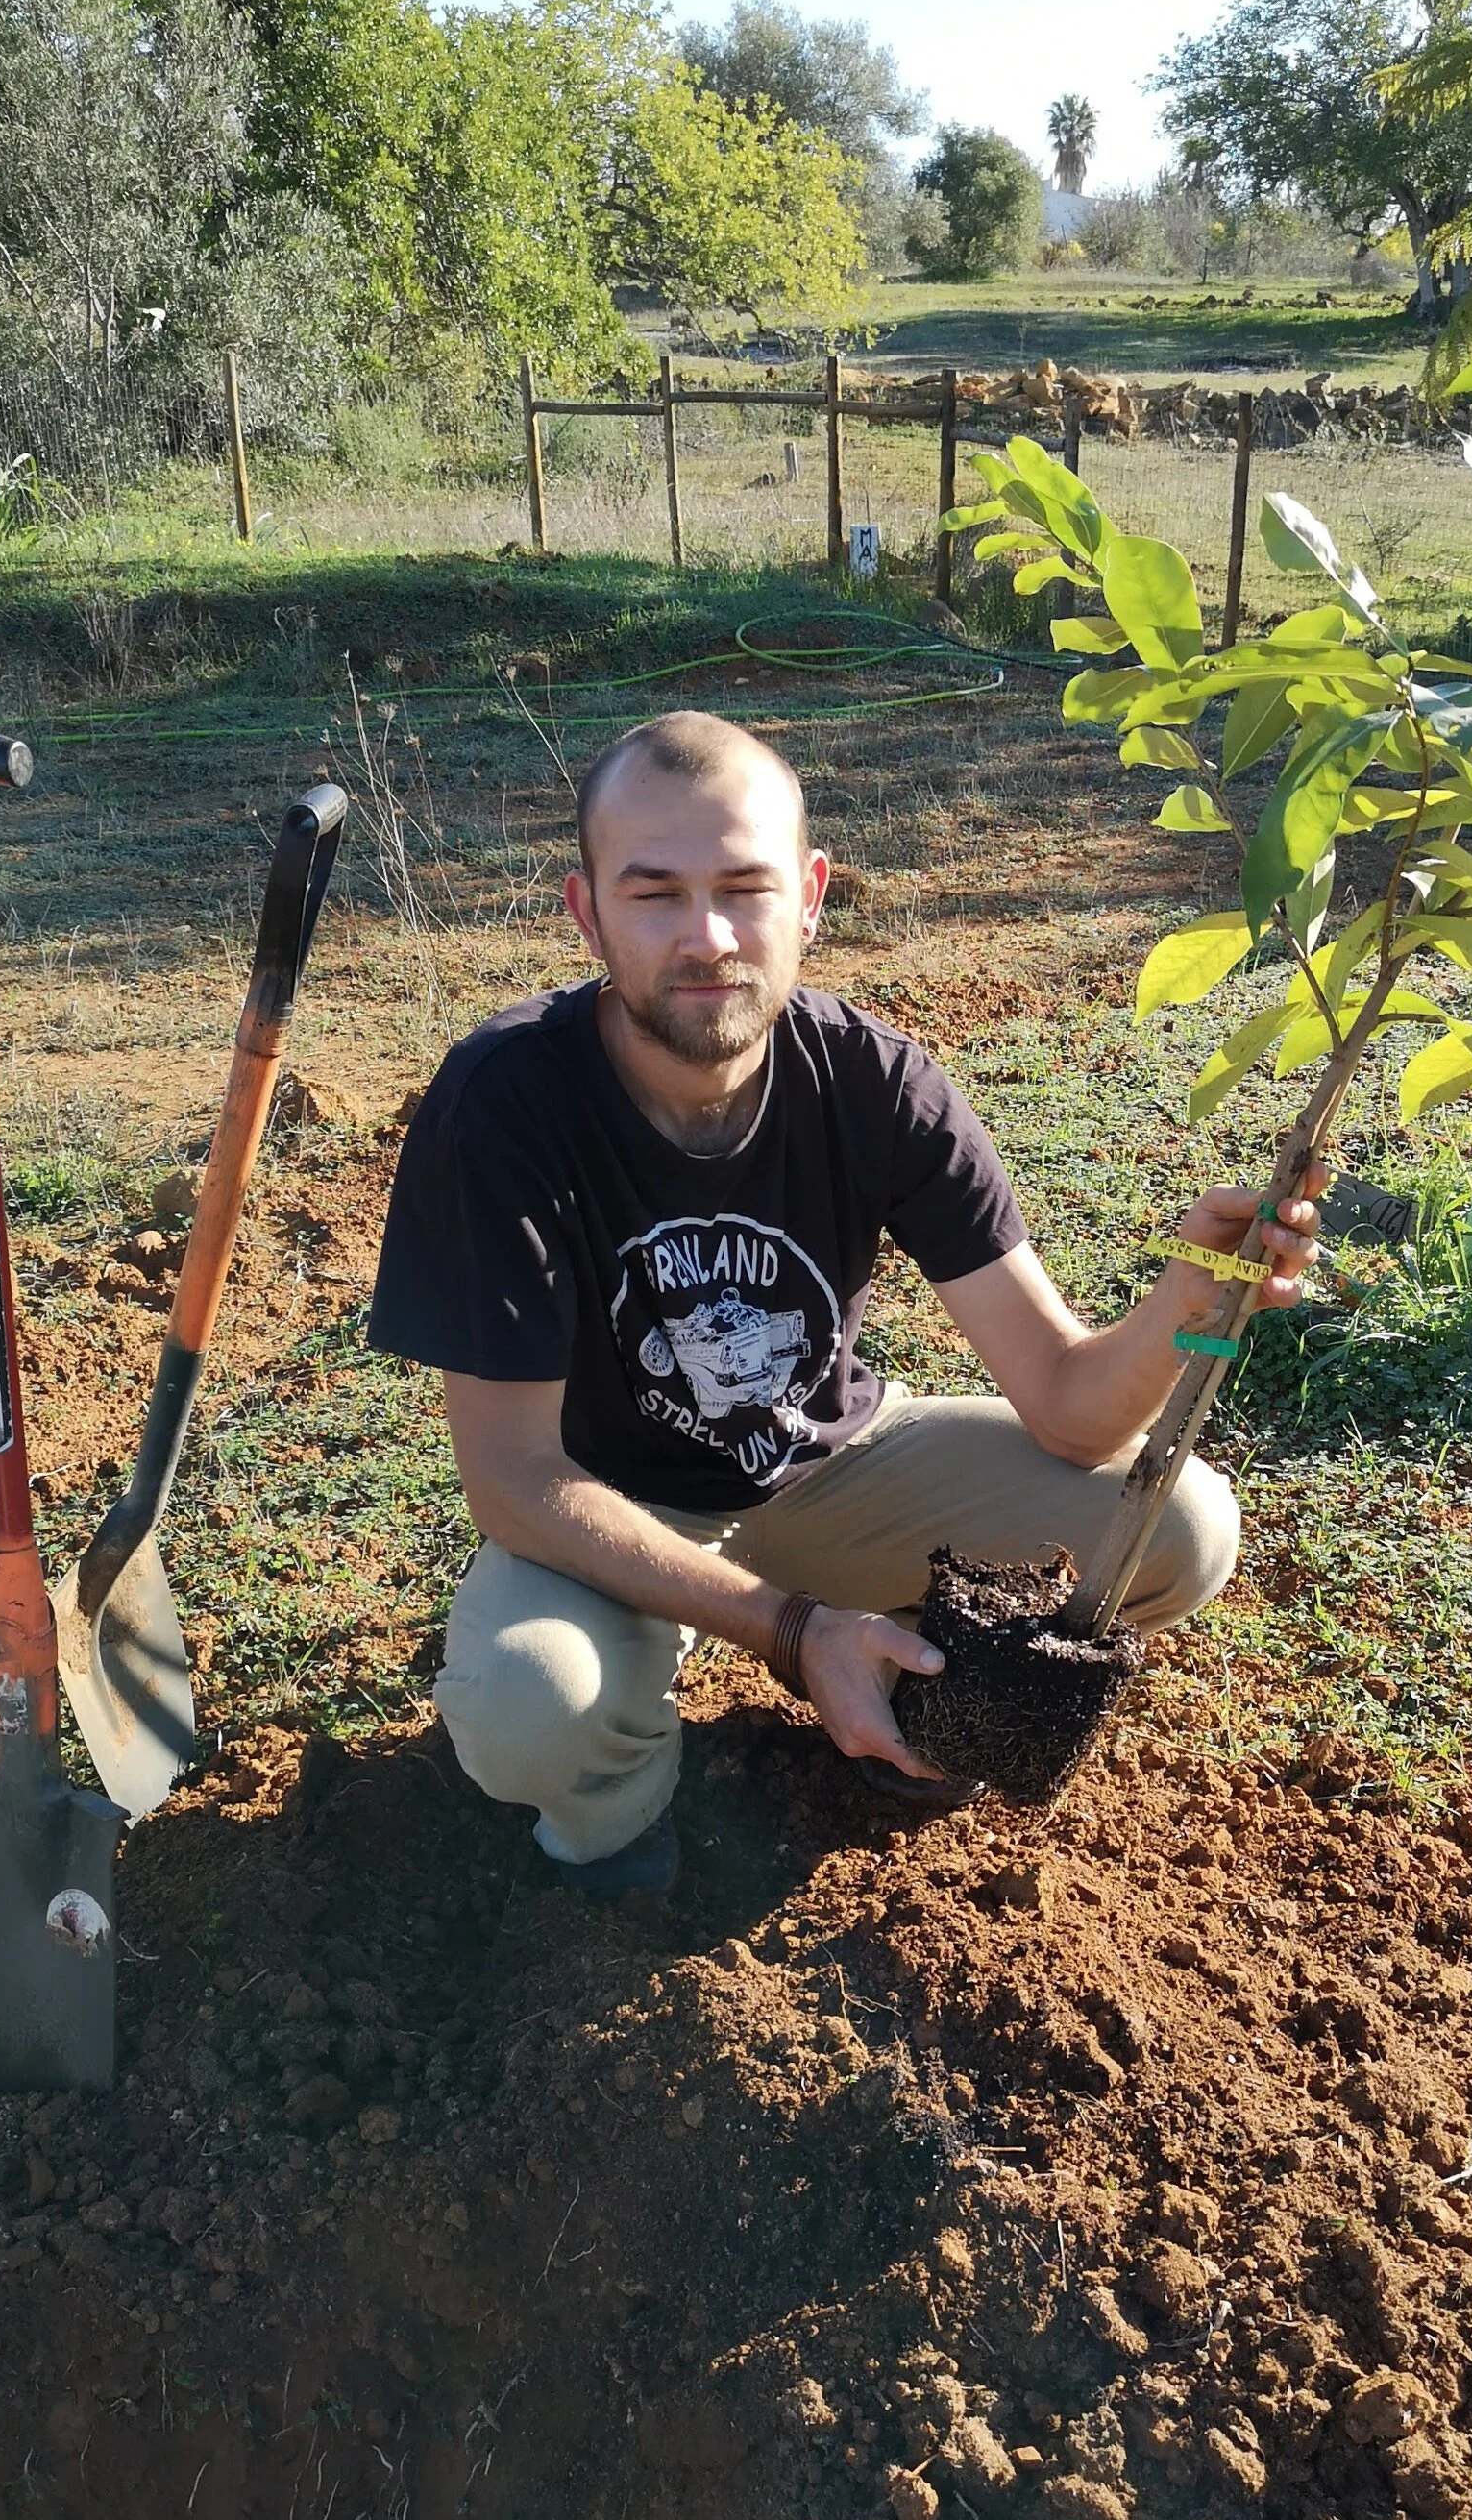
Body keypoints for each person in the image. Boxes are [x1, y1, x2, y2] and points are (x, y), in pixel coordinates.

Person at [368, 711, 1319, 1895]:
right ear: (586, 910)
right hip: (609, 1505)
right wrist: (790, 1626)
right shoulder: (505, 1100)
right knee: (531, 1708)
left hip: (834, 1465)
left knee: (1179, 1527)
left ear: (809, 897)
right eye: (654, 892)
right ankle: (616, 1829)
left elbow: (1077, 1413)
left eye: (746, 889)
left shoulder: (874, 1082)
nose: (707, 936)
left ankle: (918, 1712)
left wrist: (1192, 1295)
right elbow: (512, 1478)